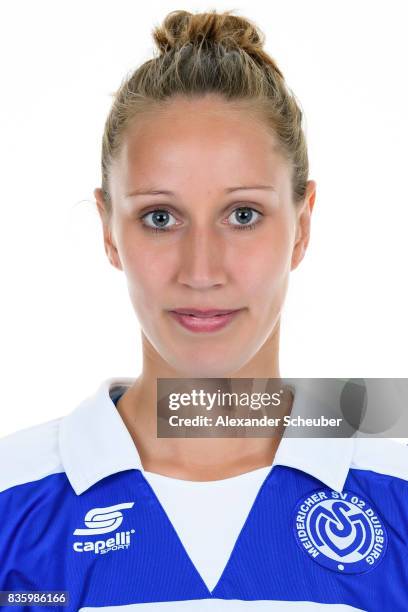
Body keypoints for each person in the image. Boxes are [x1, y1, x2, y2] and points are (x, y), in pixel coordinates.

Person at [0, 8, 407, 611]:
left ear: (302, 226)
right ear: (109, 231)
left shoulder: (396, 489)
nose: (201, 271)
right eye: (159, 218)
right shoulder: (13, 499)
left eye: (243, 215)